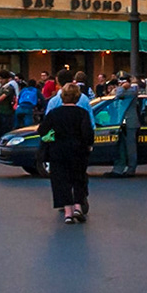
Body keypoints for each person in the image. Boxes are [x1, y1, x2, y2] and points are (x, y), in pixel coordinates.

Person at [41, 83, 94, 224]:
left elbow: (42, 130)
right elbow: (88, 134)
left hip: (58, 150)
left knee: (61, 180)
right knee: (78, 178)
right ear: (77, 97)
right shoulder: (82, 113)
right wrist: (88, 145)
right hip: (78, 151)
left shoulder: (54, 113)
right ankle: (78, 206)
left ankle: (68, 213)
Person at [110, 79, 140, 177]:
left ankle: (131, 169)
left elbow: (119, 94)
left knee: (131, 147)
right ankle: (119, 168)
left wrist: (122, 87)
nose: (120, 85)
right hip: (121, 123)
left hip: (130, 123)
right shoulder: (123, 91)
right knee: (121, 147)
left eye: (122, 82)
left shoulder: (131, 91)